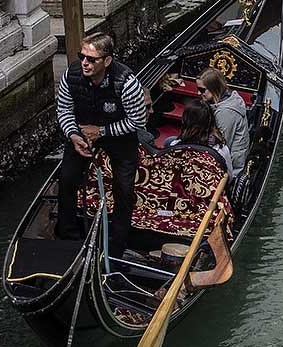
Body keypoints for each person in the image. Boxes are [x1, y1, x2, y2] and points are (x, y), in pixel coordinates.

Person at [54, 33, 147, 259]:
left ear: (106, 61)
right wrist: (74, 135)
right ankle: (67, 236)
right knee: (67, 178)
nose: (84, 63)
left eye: (91, 59)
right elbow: (64, 110)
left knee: (123, 189)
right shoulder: (71, 75)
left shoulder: (126, 83)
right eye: (82, 56)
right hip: (83, 132)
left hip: (119, 135)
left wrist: (102, 131)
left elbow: (138, 121)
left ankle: (116, 244)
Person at [196, 68, 250, 177]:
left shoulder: (225, 113)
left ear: (214, 89)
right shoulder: (228, 99)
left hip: (232, 166)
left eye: (202, 90)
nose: (198, 93)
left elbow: (222, 145)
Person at [163, 99, 233, 175]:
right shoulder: (221, 150)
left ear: (185, 120)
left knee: (168, 141)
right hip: (211, 186)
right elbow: (229, 178)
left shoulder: (174, 146)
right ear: (211, 121)